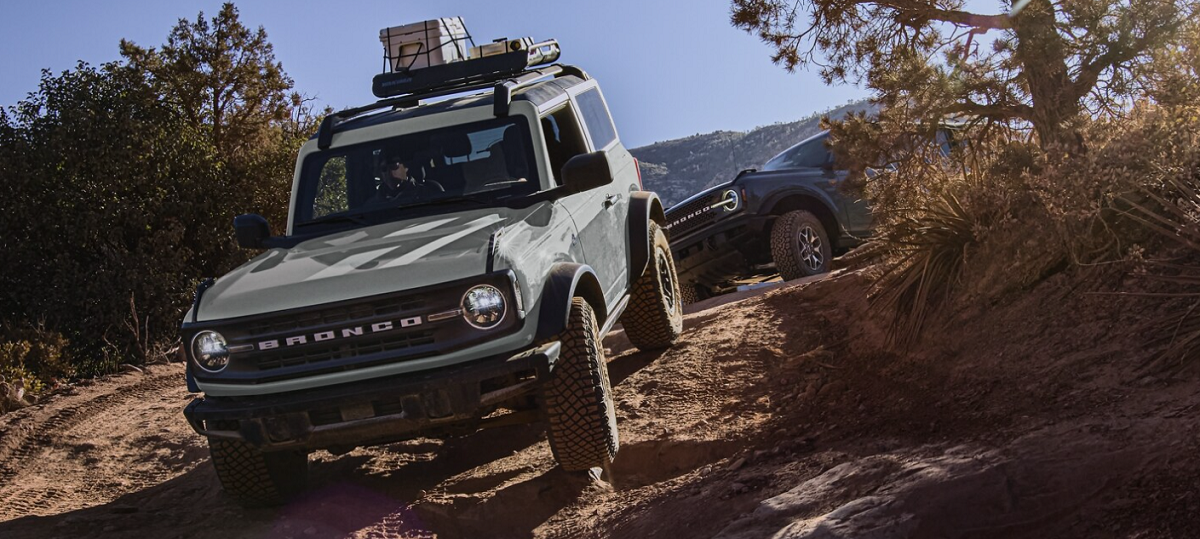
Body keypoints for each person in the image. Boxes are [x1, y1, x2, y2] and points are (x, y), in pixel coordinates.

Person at [374, 154, 445, 203]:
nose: (389, 173)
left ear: (406, 167)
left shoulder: (429, 193)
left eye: (394, 166)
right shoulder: (373, 205)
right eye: (384, 169)